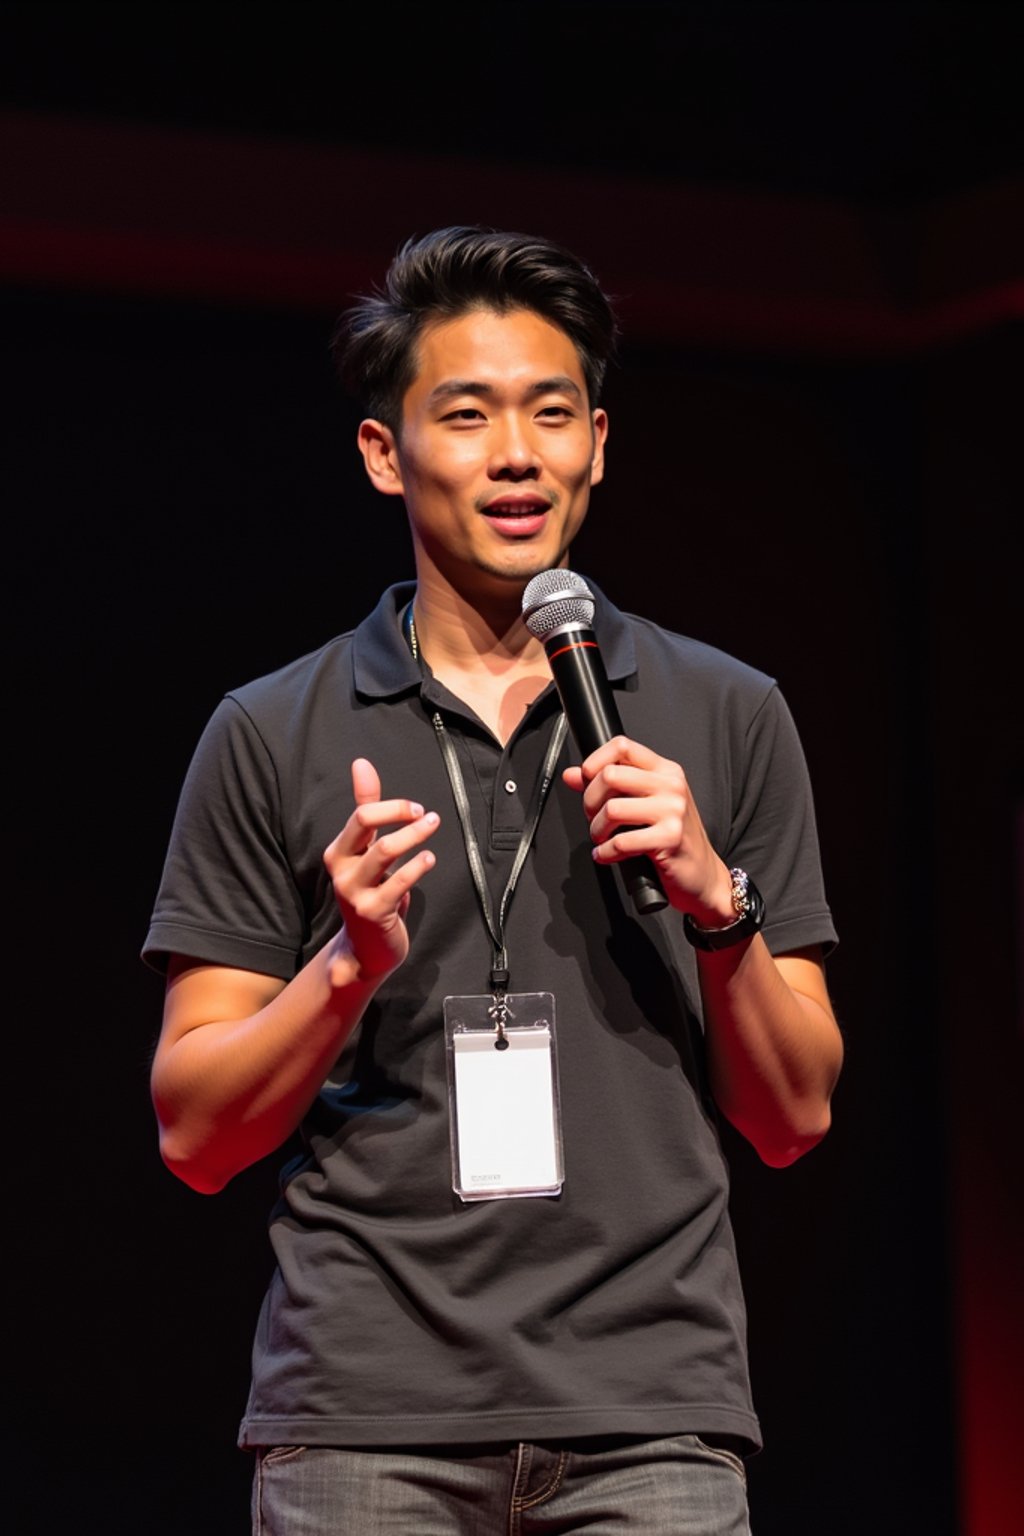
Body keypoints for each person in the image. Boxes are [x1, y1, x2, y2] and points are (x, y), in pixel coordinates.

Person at [144, 225, 843, 1535]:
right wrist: (345, 966)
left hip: (654, 1413)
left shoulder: (728, 712)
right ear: (382, 453)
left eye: (551, 414)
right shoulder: (275, 728)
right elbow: (194, 1135)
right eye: (466, 414)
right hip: (368, 1417)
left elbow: (794, 1115)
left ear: (598, 444)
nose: (516, 454)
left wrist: (717, 904)